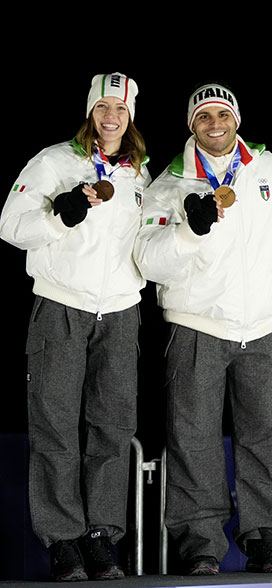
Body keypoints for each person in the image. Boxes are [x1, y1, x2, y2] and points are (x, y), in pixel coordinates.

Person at [133, 82, 272, 576]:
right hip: (196, 325)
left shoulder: (271, 169)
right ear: (191, 125)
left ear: (237, 120)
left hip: (260, 326)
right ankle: (200, 544)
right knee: (194, 439)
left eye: (223, 114)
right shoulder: (168, 184)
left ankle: (266, 540)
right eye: (204, 116)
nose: (215, 124)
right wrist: (190, 229)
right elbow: (147, 261)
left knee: (265, 438)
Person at [0, 72, 149, 582]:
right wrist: (57, 216)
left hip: (121, 311)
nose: (111, 117)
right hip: (61, 304)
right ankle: (63, 539)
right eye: (103, 106)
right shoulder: (54, 161)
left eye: (120, 109)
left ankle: (101, 535)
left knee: (114, 425)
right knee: (56, 423)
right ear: (90, 110)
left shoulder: (139, 174)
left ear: (130, 117)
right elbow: (10, 226)